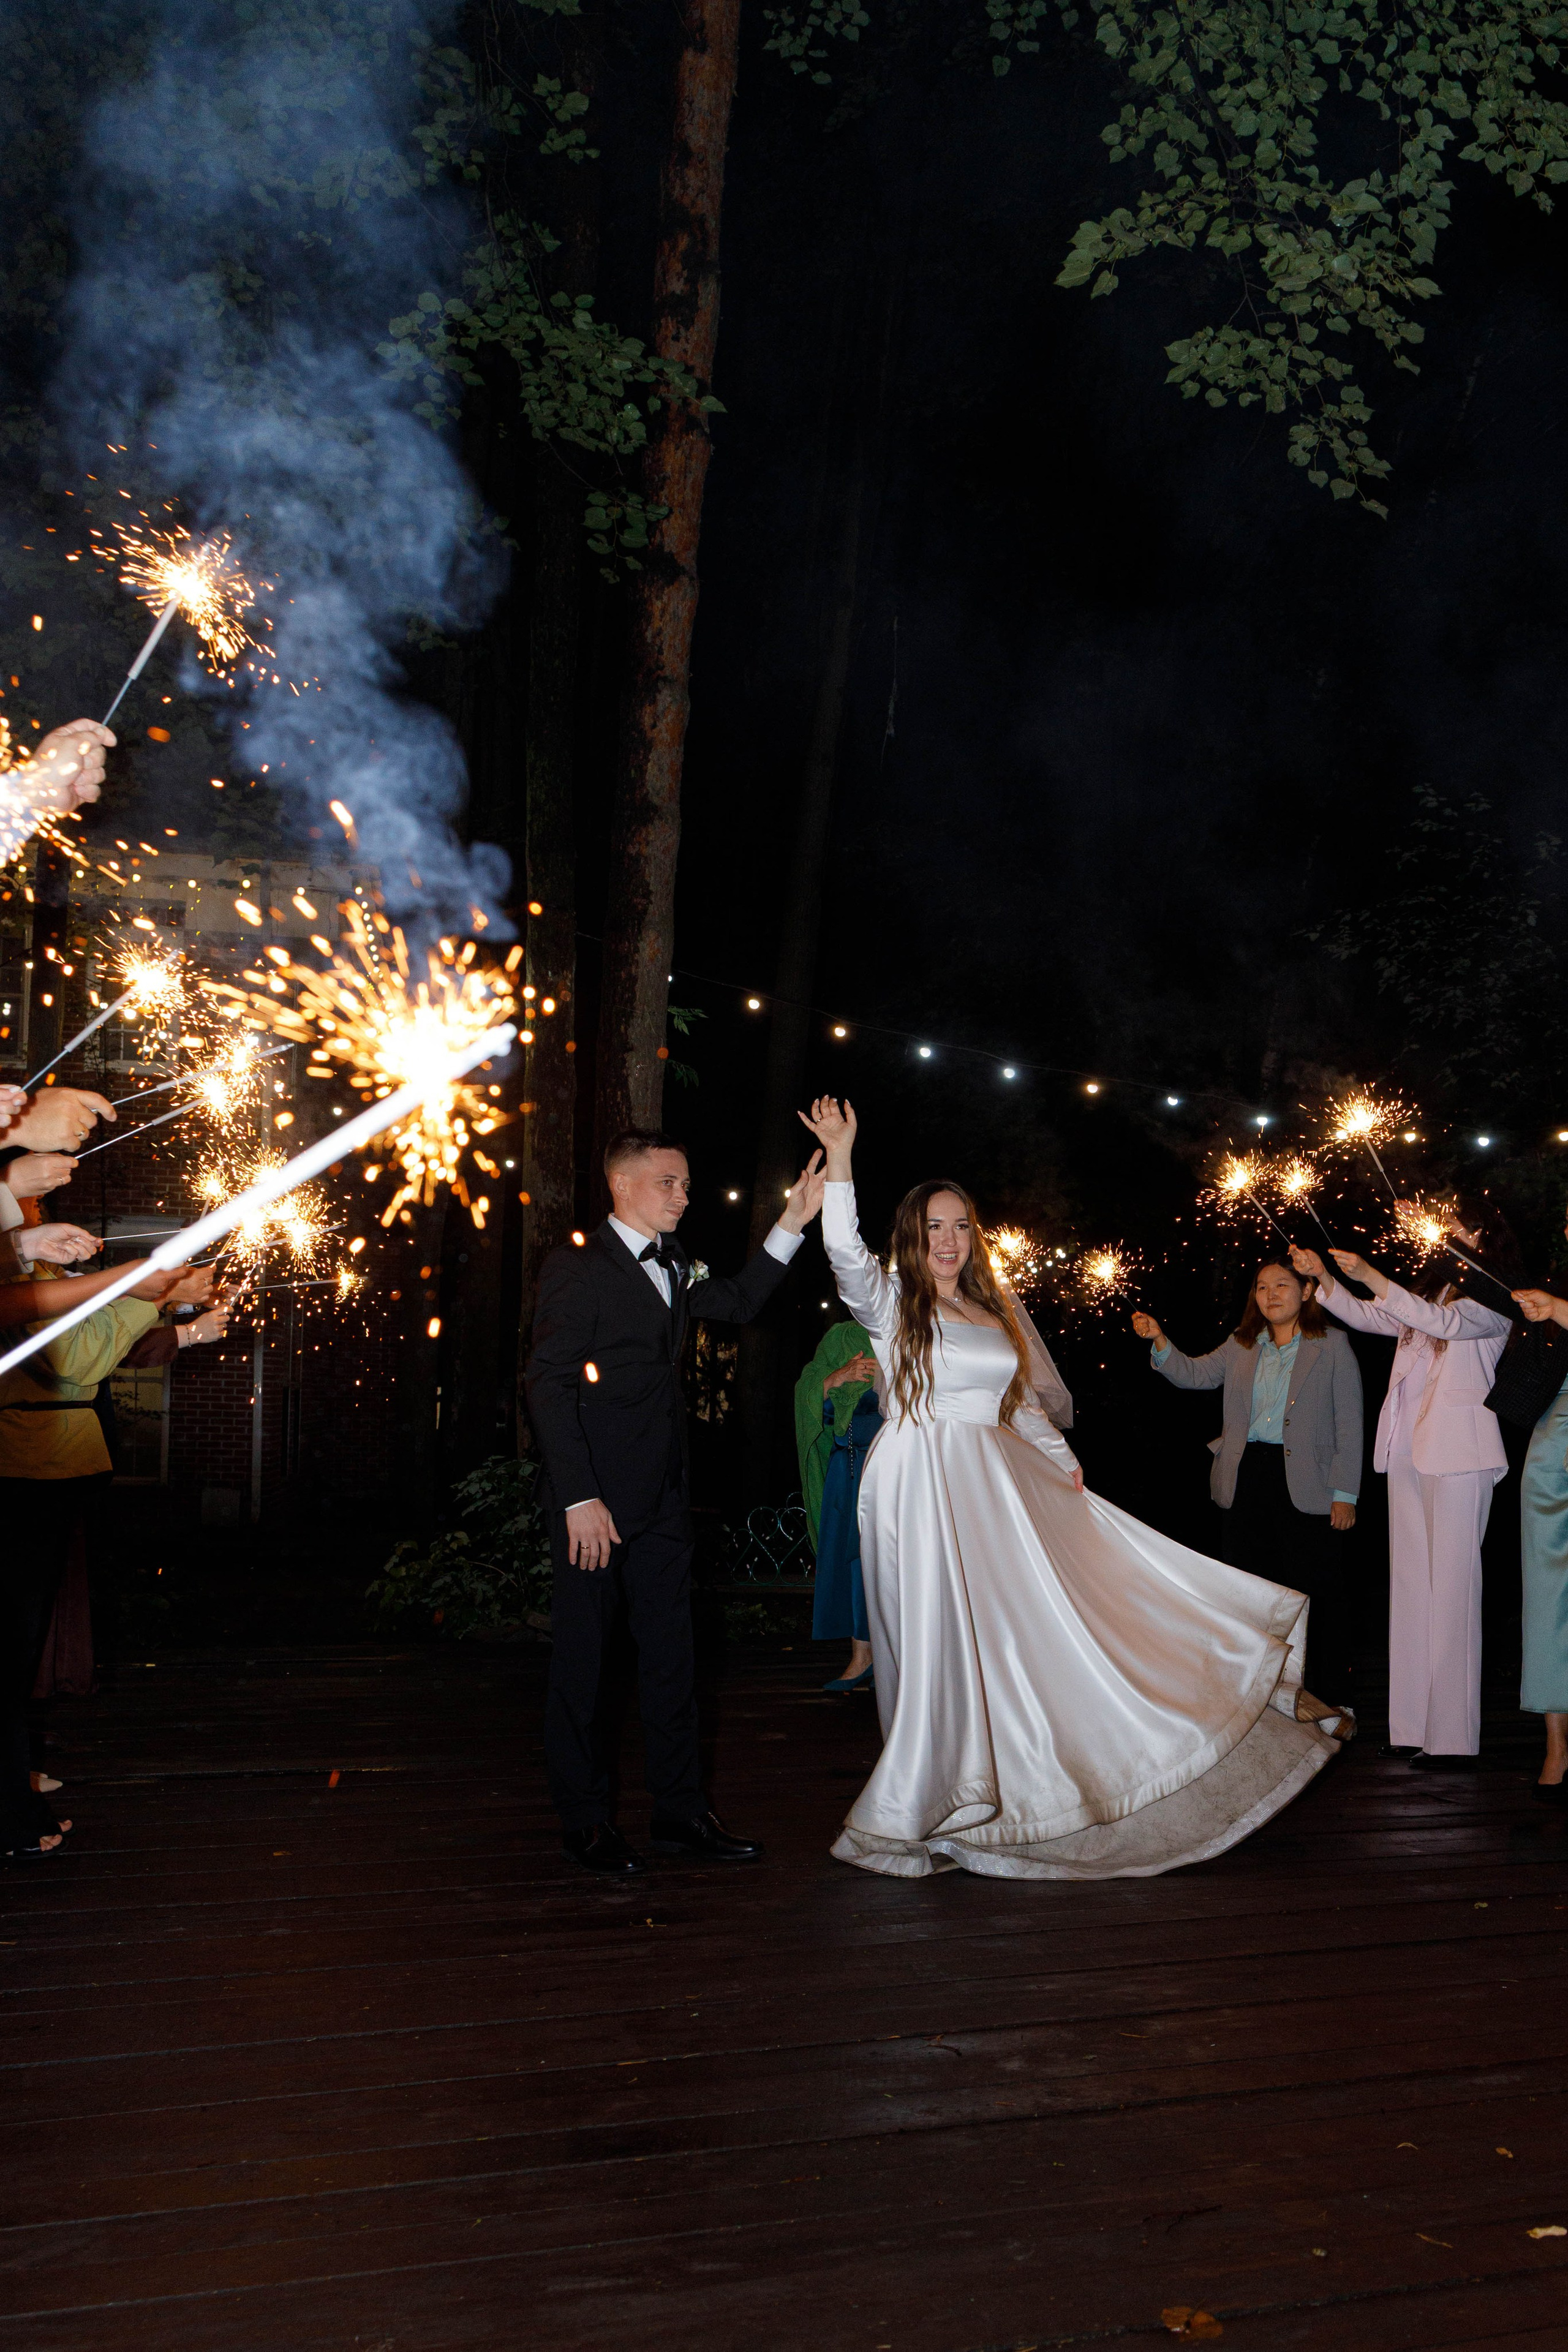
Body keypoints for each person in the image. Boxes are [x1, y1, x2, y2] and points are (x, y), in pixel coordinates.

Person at [800, 1095, 1340, 1882]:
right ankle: (924, 1797)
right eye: (933, 1228)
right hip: (920, 1484)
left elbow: (1016, 1403)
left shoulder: (989, 1313)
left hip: (998, 1481)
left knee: (1028, 1630)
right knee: (938, 1640)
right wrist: (844, 1156)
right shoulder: (891, 1309)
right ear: (913, 1239)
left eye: (959, 1226)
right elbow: (844, 1251)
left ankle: (1030, 1782)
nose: (947, 1241)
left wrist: (1061, 1466)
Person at [525, 1127, 826, 1875]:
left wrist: (793, 1220)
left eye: (686, 1183)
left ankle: (681, 1813)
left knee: (672, 1661)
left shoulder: (678, 1266)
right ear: (623, 1185)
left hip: (664, 1498)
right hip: (594, 1506)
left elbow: (743, 1298)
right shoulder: (579, 1267)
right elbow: (547, 1386)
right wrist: (579, 1499)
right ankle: (586, 1820)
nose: (684, 1195)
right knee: (586, 1667)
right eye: (669, 1182)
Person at [1290, 1233, 1510, 1770]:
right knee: (1412, 1589)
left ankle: (1454, 1739)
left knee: (1453, 1593)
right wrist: (1324, 1278)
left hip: (1461, 1453)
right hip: (1408, 1450)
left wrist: (1369, 1272)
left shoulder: (1494, 1299)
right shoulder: (1426, 1296)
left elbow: (1445, 1324)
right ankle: (1412, 1728)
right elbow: (1374, 1317)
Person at [1133, 1260, 1363, 1715]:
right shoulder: (1241, 1345)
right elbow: (1193, 1374)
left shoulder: (1332, 1345)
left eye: (1282, 1285)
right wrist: (1160, 1341)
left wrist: (1346, 1493)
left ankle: (1329, 1697)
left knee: (1314, 1590)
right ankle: (1254, 1698)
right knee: (1248, 1592)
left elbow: (1350, 1422)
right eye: (1262, 1288)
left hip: (1307, 1481)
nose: (1271, 1295)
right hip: (1247, 1476)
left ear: (1307, 1290)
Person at [1507, 1247, 1568, 1801]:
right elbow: (1497, 1285)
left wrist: (1559, 1308)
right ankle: (1556, 1742)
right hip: (1557, 1430)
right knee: (1547, 1589)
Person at [796, 1321, 882, 1693]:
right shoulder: (841, 1337)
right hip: (845, 1466)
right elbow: (807, 1391)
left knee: (888, 1559)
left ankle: (900, 1656)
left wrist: (887, 1380)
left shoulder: (914, 1327)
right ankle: (862, 1657)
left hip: (892, 1463)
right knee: (852, 1561)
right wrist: (833, 1380)